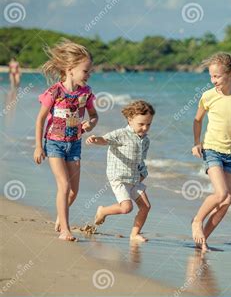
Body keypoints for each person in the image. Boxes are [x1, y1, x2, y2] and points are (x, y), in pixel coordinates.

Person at [34, 39, 98, 242]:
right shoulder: (55, 92)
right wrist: (38, 146)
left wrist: (91, 124)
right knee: (64, 186)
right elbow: (41, 119)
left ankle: (60, 218)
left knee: (74, 191)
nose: (88, 75)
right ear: (70, 69)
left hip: (75, 144)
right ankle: (65, 230)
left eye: (89, 71)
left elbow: (94, 115)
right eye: (85, 71)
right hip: (54, 143)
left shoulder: (85, 93)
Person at [191, 52, 231, 251]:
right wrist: (196, 143)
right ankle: (197, 221)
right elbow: (197, 120)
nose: (213, 80)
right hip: (212, 149)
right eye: (211, 76)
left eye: (217, 76)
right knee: (221, 193)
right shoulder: (208, 96)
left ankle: (202, 241)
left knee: (227, 201)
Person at [87, 100, 154, 242]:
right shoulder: (121, 134)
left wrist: (143, 173)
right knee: (126, 208)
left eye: (148, 124)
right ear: (130, 120)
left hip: (135, 178)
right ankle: (103, 211)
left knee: (146, 206)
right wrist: (95, 139)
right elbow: (105, 140)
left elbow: (141, 160)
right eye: (141, 124)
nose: (145, 128)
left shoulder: (145, 140)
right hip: (119, 177)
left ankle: (134, 234)